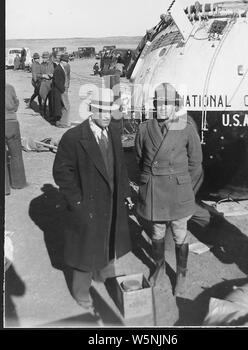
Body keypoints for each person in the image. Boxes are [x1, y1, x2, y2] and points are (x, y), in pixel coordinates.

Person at [52, 88, 132, 312]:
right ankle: (81, 292)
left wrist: (124, 193)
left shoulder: (113, 132)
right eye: (102, 110)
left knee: (107, 241)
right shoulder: (74, 137)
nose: (107, 115)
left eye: (110, 111)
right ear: (92, 109)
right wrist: (77, 203)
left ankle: (103, 273)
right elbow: (61, 174)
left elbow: (120, 167)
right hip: (87, 205)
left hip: (110, 202)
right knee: (85, 251)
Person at [135, 82, 203, 296]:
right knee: (156, 232)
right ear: (154, 105)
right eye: (159, 103)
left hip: (178, 192)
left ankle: (181, 276)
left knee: (179, 234)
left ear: (175, 105)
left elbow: (196, 163)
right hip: (155, 190)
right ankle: (159, 269)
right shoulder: (145, 128)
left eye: (168, 103)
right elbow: (140, 159)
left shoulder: (186, 127)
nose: (163, 107)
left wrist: (185, 187)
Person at [5, 83, 27, 189]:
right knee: (16, 155)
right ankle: (19, 183)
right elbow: (16, 104)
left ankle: (5, 189)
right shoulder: (9, 87)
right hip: (12, 123)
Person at [51, 53, 71, 127]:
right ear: (62, 61)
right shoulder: (58, 69)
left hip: (60, 90)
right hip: (59, 91)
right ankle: (60, 123)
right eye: (66, 61)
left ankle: (61, 121)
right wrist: (63, 90)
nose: (67, 63)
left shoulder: (61, 68)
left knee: (61, 106)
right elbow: (57, 82)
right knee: (62, 106)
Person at [39, 51, 54, 116]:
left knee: (51, 99)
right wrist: (42, 76)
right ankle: (44, 112)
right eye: (43, 57)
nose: (44, 59)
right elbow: (37, 74)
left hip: (50, 83)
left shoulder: (52, 64)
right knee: (44, 99)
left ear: (48, 58)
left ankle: (51, 113)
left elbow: (55, 73)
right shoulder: (41, 65)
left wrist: (50, 75)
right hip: (43, 83)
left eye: (46, 57)